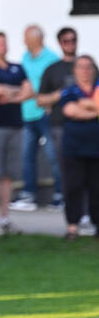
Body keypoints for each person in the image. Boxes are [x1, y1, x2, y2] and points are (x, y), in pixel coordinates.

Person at [0, 32, 34, 235]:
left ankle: (4, 218)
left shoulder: (17, 68)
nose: (2, 46)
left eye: (4, 42)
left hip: (15, 126)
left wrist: (10, 94)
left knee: (8, 176)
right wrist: (15, 91)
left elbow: (30, 91)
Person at [11, 25, 62, 211]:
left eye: (26, 38)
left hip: (45, 115)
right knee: (27, 156)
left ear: (36, 39)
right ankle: (29, 194)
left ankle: (60, 195)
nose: (23, 41)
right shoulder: (25, 57)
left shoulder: (51, 58)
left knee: (53, 155)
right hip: (27, 114)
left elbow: (55, 87)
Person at [61, 56, 99, 239]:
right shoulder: (69, 91)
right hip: (74, 148)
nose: (85, 71)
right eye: (81, 67)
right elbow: (70, 110)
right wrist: (95, 110)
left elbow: (78, 110)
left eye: (89, 67)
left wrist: (85, 106)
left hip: (96, 148)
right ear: (75, 71)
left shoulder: (97, 89)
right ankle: (73, 226)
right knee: (73, 187)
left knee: (97, 188)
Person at [38, 28, 78, 156]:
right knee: (61, 166)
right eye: (66, 41)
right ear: (60, 43)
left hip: (86, 123)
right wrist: (60, 94)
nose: (70, 44)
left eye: (73, 40)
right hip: (60, 125)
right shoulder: (52, 69)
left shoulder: (87, 66)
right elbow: (40, 100)